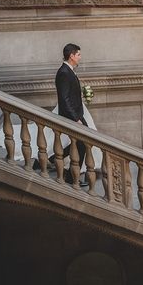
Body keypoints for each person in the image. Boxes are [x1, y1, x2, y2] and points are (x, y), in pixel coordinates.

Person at [50, 43, 88, 183]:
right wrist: (76, 118)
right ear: (71, 56)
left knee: (80, 143)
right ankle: (72, 178)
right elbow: (64, 99)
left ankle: (53, 158)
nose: (80, 57)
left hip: (76, 113)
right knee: (83, 143)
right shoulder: (64, 73)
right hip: (71, 115)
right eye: (78, 54)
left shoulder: (69, 70)